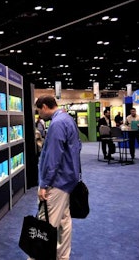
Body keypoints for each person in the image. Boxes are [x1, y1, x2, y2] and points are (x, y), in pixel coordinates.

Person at [33, 95, 81, 260]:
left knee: (44, 224)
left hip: (58, 181)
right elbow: (77, 146)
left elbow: (53, 157)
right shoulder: (67, 119)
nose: (39, 115)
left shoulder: (57, 123)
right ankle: (62, 257)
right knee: (64, 221)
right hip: (69, 179)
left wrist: (44, 184)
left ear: (45, 107)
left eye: (39, 111)